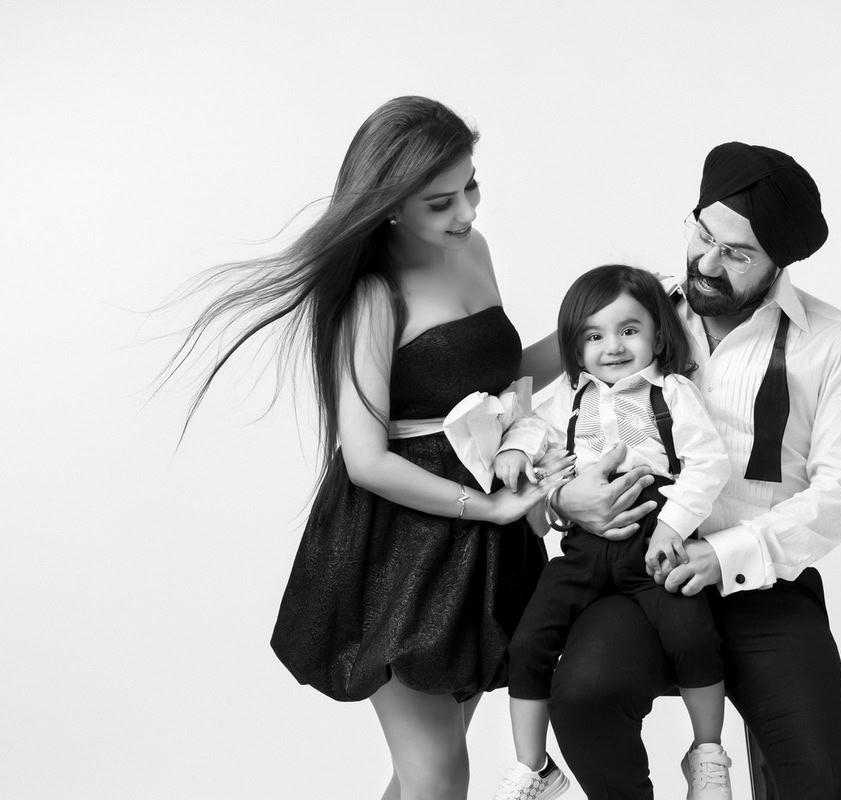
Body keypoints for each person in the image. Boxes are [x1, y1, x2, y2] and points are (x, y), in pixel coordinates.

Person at [165, 96, 569, 800]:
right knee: (438, 774)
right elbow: (367, 460)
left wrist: (600, 324)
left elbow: (495, 386)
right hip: (402, 547)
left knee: (427, 771)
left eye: (471, 186)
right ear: (388, 206)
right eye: (440, 202)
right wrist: (491, 510)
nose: (467, 213)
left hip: (481, 540)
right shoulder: (372, 296)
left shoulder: (473, 249)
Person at [546, 143, 841, 799]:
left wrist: (724, 557)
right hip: (640, 575)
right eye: (703, 234)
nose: (706, 262)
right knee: (579, 695)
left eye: (737, 254)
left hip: (765, 584)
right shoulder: (630, 316)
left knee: (826, 783)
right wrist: (562, 493)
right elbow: (558, 423)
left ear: (778, 262)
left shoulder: (834, 342)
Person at [487, 265, 735, 800]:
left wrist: (671, 525)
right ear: (575, 347)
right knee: (528, 641)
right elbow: (531, 426)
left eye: (629, 330)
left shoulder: (673, 393)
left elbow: (709, 463)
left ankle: (708, 753)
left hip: (653, 541)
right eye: (593, 335)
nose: (613, 346)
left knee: (693, 633)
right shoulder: (570, 397)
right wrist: (515, 450)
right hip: (583, 550)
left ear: (658, 333)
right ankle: (534, 767)